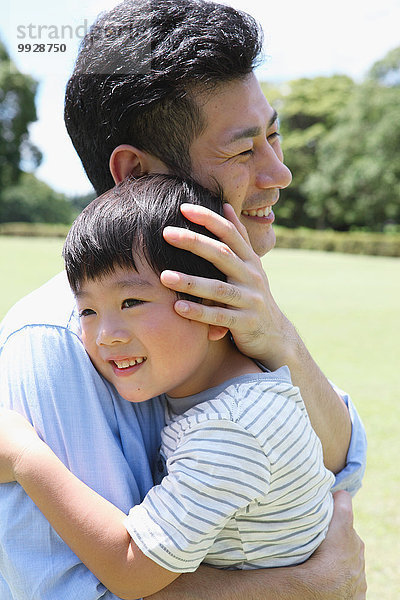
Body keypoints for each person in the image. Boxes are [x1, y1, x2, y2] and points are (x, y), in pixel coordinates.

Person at [0, 0, 367, 598]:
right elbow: (68, 591)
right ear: (138, 175)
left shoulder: (226, 301)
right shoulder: (56, 341)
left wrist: (283, 341)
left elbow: (341, 465)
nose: (279, 174)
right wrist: (308, 583)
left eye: (274, 136)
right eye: (243, 150)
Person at [0, 174, 337, 600]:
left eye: (132, 302)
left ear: (215, 306)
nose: (106, 335)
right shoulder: (211, 392)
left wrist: (25, 457)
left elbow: (130, 570)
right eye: (86, 310)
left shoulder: (234, 427)